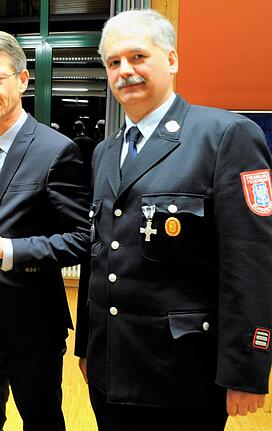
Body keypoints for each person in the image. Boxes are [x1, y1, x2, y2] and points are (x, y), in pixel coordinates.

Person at [75, 9, 272, 430]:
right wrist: (85, 347)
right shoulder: (105, 152)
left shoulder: (224, 136)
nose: (125, 71)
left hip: (182, 374)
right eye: (113, 62)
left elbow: (250, 260)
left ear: (172, 59)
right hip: (110, 365)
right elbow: (100, 253)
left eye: (137, 57)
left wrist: (246, 369)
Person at [0, 31, 90, 430]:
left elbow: (83, 238)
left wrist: (10, 249)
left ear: (22, 80)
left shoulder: (56, 150)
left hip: (32, 326)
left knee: (42, 420)